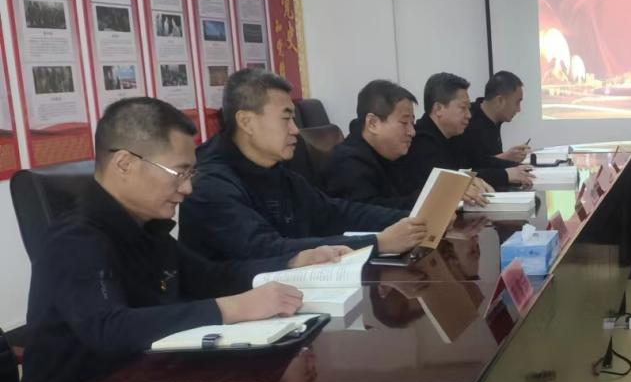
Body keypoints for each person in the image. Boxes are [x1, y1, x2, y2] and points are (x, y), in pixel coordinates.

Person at [21, 97, 338, 382]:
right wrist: (233, 307)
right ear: (125, 164)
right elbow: (109, 328)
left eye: (191, 174)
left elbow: (210, 276)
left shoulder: (145, 226)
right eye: (179, 173)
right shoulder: (74, 238)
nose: (187, 188)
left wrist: (292, 262)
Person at [181, 69, 427, 260]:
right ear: (246, 122)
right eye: (286, 118)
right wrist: (379, 243)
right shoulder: (210, 183)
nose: (295, 130)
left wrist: (414, 219)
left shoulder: (276, 170)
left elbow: (332, 212)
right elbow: (267, 249)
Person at [392, 71, 501, 198]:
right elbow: (445, 184)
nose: (469, 115)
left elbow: (478, 163)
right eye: (463, 108)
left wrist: (509, 172)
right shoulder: (421, 142)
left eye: (469, 108)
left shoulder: (456, 136)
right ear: (438, 109)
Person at [323, 79, 423, 209]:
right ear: (372, 123)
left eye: (412, 123)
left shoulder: (397, 153)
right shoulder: (347, 163)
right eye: (404, 123)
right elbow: (369, 213)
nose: (412, 132)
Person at [453, 70, 533, 184]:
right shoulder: (467, 123)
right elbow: (468, 170)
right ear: (499, 100)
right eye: (517, 102)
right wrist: (505, 160)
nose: (519, 109)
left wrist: (514, 165)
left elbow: (485, 162)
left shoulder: (495, 120)